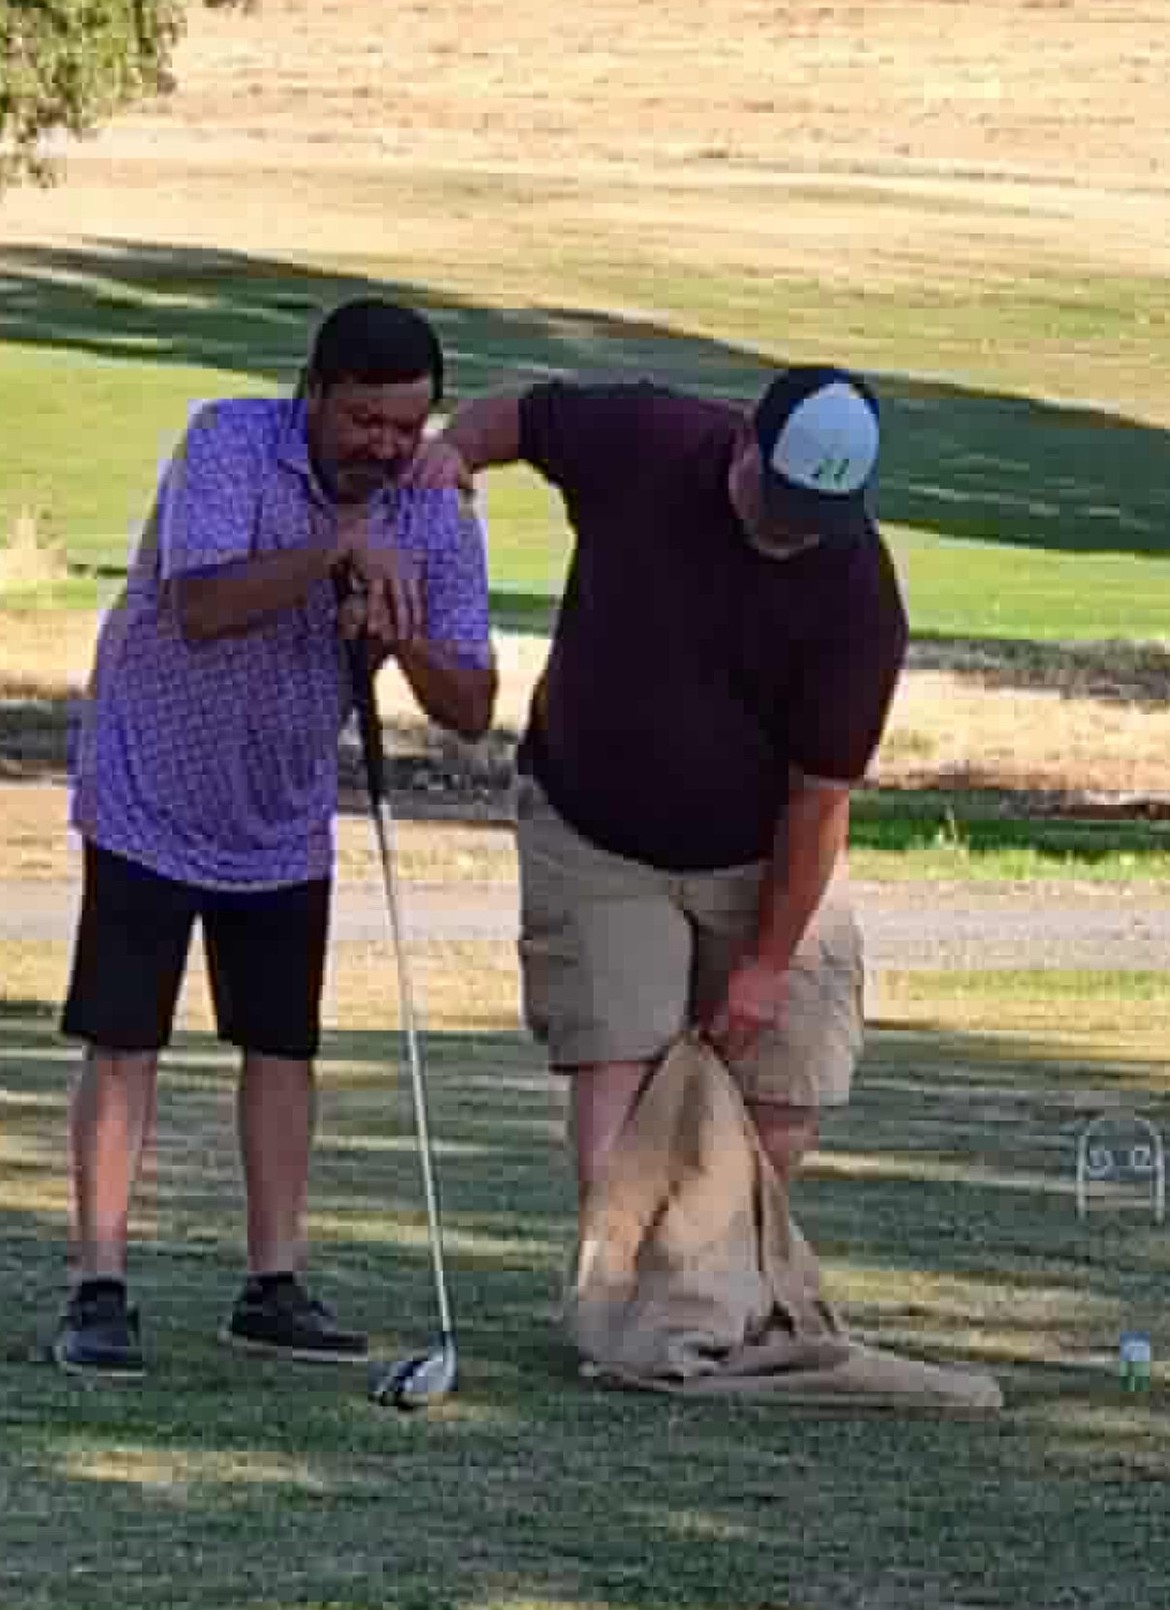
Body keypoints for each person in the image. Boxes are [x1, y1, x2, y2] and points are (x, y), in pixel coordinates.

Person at [54, 297, 497, 1378]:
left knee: (283, 1044)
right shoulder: (226, 441)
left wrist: (397, 634)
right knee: (125, 1036)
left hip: (282, 807)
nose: (383, 447)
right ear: (314, 394)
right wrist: (338, 548)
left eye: (405, 427)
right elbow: (202, 604)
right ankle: (99, 1287)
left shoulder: (435, 507)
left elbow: (472, 705)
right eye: (363, 421)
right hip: (149, 781)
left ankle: (273, 1285)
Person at [406, 363, 907, 1208]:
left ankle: (715, 1273)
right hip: (594, 828)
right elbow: (521, 418)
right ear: (746, 439)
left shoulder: (857, 593)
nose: (791, 531)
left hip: (762, 851)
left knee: (784, 1097)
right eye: (779, 501)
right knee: (618, 1084)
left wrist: (766, 965)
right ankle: (619, 1277)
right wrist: (454, 451)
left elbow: (818, 800)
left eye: (813, 518)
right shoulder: (647, 439)